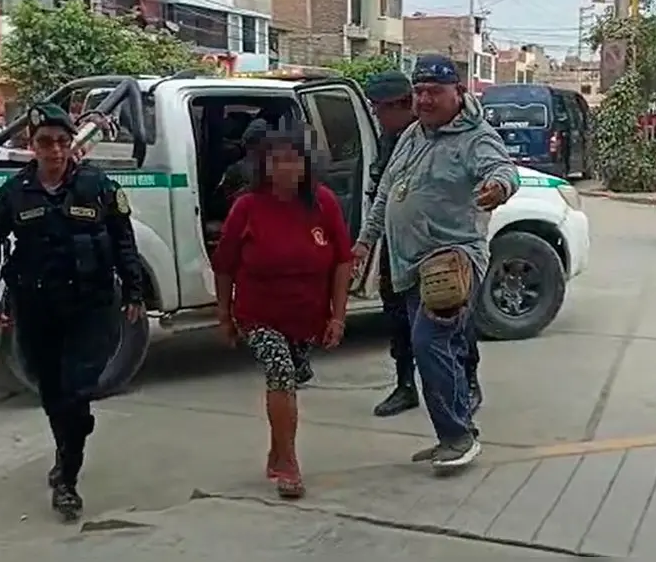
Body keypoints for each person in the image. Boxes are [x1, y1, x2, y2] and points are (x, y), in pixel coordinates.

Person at [0, 103, 145, 522]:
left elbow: (124, 240)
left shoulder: (97, 185)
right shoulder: (13, 194)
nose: (54, 151)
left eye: (62, 142)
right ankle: (67, 446)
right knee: (54, 395)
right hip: (37, 311)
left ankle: (67, 479)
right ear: (31, 146)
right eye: (45, 143)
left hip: (91, 307)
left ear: (72, 145)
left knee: (77, 392)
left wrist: (134, 292)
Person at [352, 55, 520, 470]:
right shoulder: (413, 134)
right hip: (409, 262)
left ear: (457, 93)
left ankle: (457, 436)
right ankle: (459, 427)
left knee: (430, 343)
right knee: (441, 345)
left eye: (435, 92)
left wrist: (499, 187)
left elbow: (503, 169)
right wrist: (364, 243)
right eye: (420, 92)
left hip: (451, 261)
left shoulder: (475, 138)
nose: (425, 99)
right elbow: (390, 191)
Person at [212, 121, 353, 499]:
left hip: (306, 315)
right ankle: (289, 464)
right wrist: (224, 316)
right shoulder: (247, 207)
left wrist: (338, 316)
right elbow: (224, 265)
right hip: (258, 314)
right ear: (264, 167)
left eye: (294, 161)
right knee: (280, 373)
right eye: (277, 161)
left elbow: (343, 261)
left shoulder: (324, 202)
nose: (286, 169)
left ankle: (277, 451)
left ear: (307, 165)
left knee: (290, 381)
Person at [364, 70, 483, 419]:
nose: (375, 115)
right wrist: (367, 240)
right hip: (398, 243)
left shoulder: (444, 135)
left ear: (404, 106)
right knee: (397, 315)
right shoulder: (396, 138)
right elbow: (385, 188)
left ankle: (466, 384)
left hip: (439, 247)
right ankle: (405, 385)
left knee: (451, 314)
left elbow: (494, 171)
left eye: (380, 108)